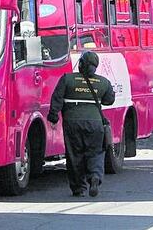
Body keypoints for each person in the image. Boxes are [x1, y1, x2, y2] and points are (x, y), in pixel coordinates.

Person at [47, 51, 115, 197]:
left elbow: (57, 99)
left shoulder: (67, 79)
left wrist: (53, 117)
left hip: (72, 124)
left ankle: (78, 188)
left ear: (81, 64)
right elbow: (109, 100)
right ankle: (95, 177)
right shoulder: (103, 82)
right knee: (96, 153)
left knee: (74, 155)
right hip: (95, 124)